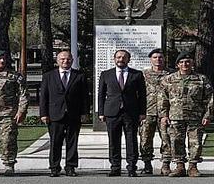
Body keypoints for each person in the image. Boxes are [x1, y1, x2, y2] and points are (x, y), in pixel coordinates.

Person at [159, 52, 213, 177]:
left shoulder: (201, 79)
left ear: (192, 64)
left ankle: (193, 166)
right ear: (177, 65)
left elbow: (209, 99)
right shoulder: (168, 79)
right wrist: (164, 115)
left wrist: (207, 116)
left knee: (196, 142)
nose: (185, 64)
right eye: (182, 62)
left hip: (195, 117)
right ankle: (179, 166)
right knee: (176, 141)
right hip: (175, 116)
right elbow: (162, 99)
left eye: (188, 62)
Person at [39, 50, 88, 177]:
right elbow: (44, 96)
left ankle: (70, 167)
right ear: (57, 61)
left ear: (72, 60)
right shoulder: (48, 76)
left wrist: (84, 112)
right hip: (55, 114)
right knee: (55, 142)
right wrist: (44, 114)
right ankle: (54, 167)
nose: (65, 61)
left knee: (72, 142)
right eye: (62, 59)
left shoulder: (79, 76)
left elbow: (84, 97)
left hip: (74, 114)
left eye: (68, 59)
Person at [98, 49, 146, 177]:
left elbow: (142, 95)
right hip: (112, 112)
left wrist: (142, 112)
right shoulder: (106, 74)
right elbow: (101, 95)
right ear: (114, 59)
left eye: (124, 57)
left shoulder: (137, 74)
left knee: (131, 140)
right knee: (113, 141)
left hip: (131, 112)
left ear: (128, 59)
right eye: (118, 57)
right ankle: (115, 167)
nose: (121, 59)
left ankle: (131, 167)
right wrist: (101, 112)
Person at [139, 48, 172, 175]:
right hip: (147, 112)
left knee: (167, 139)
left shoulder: (171, 75)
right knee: (145, 139)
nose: (158, 60)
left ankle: (165, 165)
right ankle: (147, 164)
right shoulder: (143, 75)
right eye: (155, 57)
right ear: (150, 60)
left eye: (160, 57)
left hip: (166, 113)